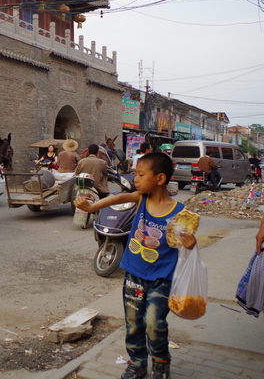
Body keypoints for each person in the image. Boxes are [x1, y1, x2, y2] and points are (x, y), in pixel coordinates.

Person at [75, 152, 196, 379]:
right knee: (133, 324)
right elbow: (115, 199)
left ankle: (161, 362)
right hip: (134, 275)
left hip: (163, 278)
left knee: (153, 323)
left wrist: (191, 243)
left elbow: (182, 243)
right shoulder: (141, 199)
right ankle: (137, 363)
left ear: (160, 179)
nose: (136, 179)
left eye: (141, 174)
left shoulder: (180, 211)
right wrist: (91, 208)